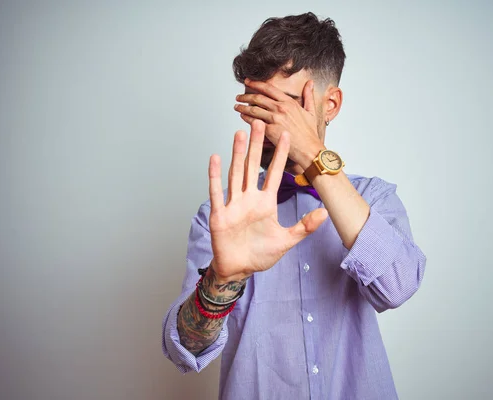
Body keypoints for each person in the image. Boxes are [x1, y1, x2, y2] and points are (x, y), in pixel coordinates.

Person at [162, 12, 426, 400]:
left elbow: (398, 286)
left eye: (282, 107)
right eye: (257, 108)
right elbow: (184, 350)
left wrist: (313, 155)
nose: (268, 126)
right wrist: (221, 278)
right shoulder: (220, 217)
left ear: (330, 103)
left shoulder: (375, 198)